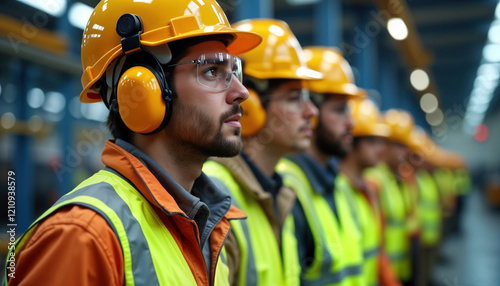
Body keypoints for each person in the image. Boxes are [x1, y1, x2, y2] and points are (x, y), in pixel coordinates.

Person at [4, 0, 262, 285]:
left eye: (233, 71)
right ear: (143, 87)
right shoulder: (82, 236)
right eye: (212, 70)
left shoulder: (208, 226)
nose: (241, 92)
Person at [203, 19, 321, 286]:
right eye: (294, 98)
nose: (311, 112)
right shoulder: (215, 195)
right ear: (251, 105)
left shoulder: (281, 190)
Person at [277, 46, 366, 285]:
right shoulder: (288, 189)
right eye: (339, 110)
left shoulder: (339, 184)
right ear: (312, 113)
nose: (351, 122)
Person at [337, 98, 401, 286]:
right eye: (372, 141)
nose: (381, 149)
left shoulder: (370, 190)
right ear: (351, 141)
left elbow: (377, 251)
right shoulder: (337, 190)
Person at [364, 109, 419, 286]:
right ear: (385, 144)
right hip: (383, 277)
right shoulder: (374, 180)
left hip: (400, 268)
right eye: (399, 145)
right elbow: (376, 240)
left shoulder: (397, 177)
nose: (405, 151)